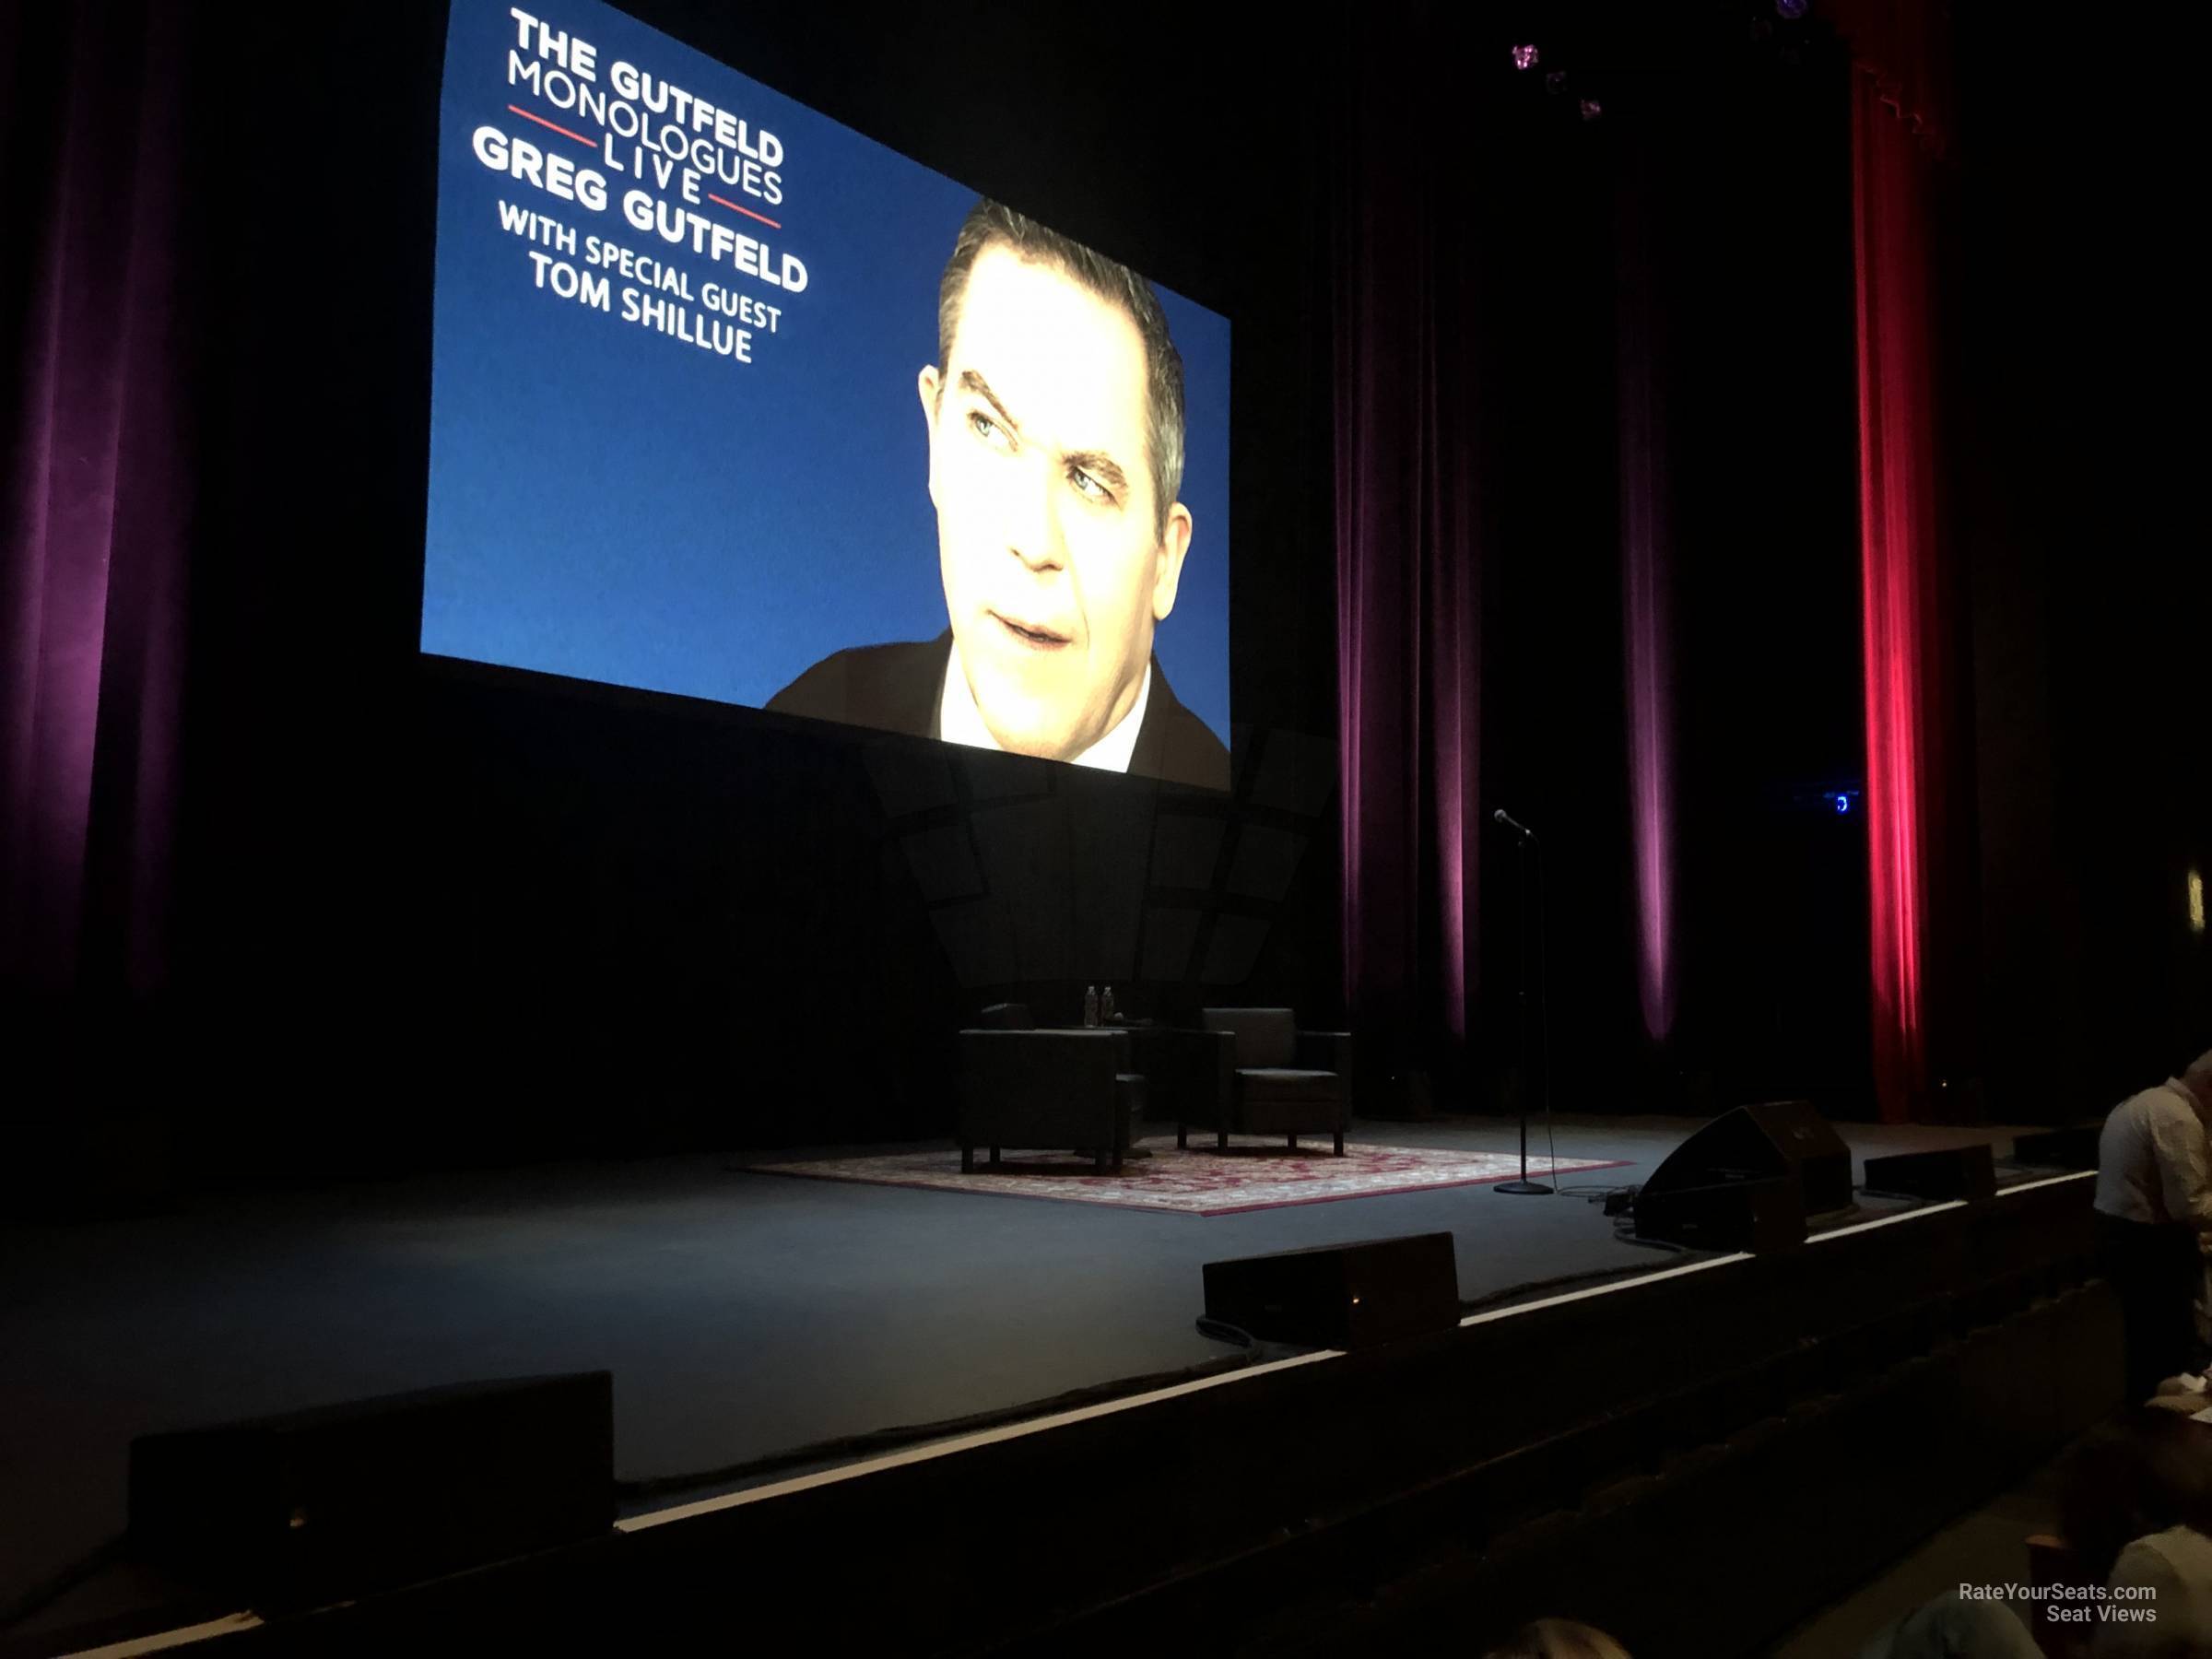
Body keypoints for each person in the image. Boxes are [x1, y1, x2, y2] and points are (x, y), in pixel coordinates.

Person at [768, 199, 1229, 789]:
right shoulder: (809, 722)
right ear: (935, 437)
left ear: (1165, 562)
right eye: (989, 428)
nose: (1033, 542)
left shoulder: (1248, 844)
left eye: (1089, 481)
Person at [2093, 1050, 2212, 1399]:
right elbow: (2190, 1204)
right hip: (2145, 1245)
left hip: (2122, 1234)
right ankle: (2166, 1428)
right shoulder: (2176, 1117)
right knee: (2165, 1349)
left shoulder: (2150, 1101)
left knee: (2147, 1343)